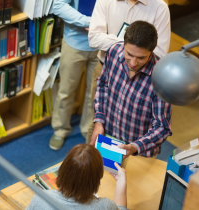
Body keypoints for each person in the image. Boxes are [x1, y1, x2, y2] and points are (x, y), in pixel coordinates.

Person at [86, 0, 171, 143]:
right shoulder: (114, 52)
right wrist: (99, 122)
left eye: (140, 57)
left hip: (137, 145)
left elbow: (161, 126)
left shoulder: (160, 7)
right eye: (129, 54)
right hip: (108, 66)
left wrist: (134, 147)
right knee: (94, 124)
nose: (132, 63)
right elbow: (94, 39)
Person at [49, 0, 98, 150]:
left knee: (95, 93)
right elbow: (57, 5)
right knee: (66, 90)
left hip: (101, 45)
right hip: (74, 43)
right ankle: (60, 129)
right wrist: (88, 22)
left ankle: (88, 130)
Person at [27, 144, 128, 210]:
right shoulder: (106, 206)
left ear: (62, 171)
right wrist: (121, 183)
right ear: (98, 178)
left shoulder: (40, 198)